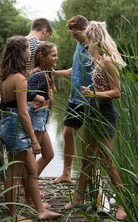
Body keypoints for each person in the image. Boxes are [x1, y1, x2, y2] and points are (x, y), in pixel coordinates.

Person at [0, 36, 62, 221]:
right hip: (16, 127)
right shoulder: (20, 79)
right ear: (21, 53)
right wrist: (33, 140)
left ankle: (41, 211)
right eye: (28, 49)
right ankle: (12, 215)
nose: (30, 52)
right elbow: (24, 113)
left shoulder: (3, 75)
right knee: (14, 174)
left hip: (8, 123)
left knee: (31, 170)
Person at [64, 21, 127, 221]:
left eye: (88, 40)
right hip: (92, 111)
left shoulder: (108, 60)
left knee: (108, 163)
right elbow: (100, 88)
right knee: (87, 160)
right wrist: (90, 93)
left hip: (105, 114)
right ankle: (78, 199)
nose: (86, 44)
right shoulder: (97, 58)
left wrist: (94, 94)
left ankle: (122, 205)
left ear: (94, 39)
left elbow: (117, 93)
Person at [52, 15, 92, 184]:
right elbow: (73, 71)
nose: (74, 37)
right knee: (67, 133)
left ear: (85, 30)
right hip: (74, 99)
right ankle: (66, 173)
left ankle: (90, 180)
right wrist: (53, 73)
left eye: (76, 34)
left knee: (89, 142)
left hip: (91, 101)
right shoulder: (78, 46)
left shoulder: (96, 48)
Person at [21, 42, 58, 207]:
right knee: (31, 160)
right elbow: (26, 91)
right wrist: (40, 99)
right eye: (53, 56)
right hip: (36, 118)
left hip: (41, 118)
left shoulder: (45, 73)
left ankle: (29, 187)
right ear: (42, 56)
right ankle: (30, 197)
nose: (56, 58)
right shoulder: (38, 74)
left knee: (49, 154)